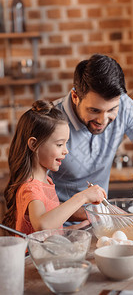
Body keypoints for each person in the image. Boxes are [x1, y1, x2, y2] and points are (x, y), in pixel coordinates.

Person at [50, 53, 133, 223]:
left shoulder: (125, 105)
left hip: (100, 223)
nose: (102, 121)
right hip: (57, 230)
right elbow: (30, 200)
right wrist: (96, 212)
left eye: (112, 110)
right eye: (94, 110)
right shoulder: (49, 121)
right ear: (75, 97)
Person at [3, 100, 106, 234]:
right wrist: (83, 197)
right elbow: (42, 224)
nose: (66, 151)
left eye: (66, 143)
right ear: (34, 145)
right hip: (32, 255)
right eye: (59, 145)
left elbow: (45, 224)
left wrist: (70, 228)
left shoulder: (46, 181)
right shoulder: (31, 188)